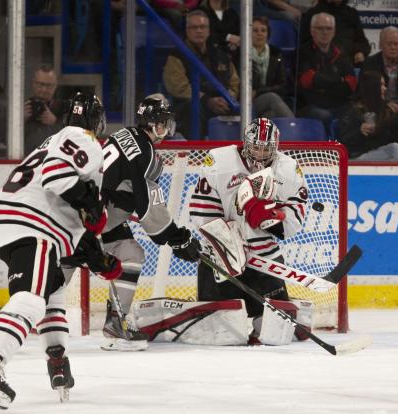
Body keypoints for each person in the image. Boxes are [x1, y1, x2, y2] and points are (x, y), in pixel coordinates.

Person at [0, 93, 119, 409]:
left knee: (53, 289)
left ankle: (57, 362)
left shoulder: (52, 140)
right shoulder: (81, 138)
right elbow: (58, 178)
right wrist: (91, 203)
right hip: (34, 225)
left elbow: (73, 220)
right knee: (31, 296)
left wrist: (99, 258)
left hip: (16, 222)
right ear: (95, 118)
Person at [188, 117, 308, 341]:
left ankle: (273, 316)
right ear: (245, 142)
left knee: (273, 334)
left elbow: (294, 221)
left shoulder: (289, 170)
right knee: (220, 335)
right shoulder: (219, 161)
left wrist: (268, 217)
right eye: (256, 147)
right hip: (220, 259)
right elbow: (201, 212)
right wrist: (228, 242)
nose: (260, 153)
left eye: (266, 148)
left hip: (264, 259)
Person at [98, 94, 202, 351]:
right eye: (163, 123)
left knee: (131, 252)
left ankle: (116, 321)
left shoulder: (122, 135)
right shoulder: (145, 154)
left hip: (92, 215)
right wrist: (178, 238)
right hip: (92, 220)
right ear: (154, 124)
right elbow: (149, 209)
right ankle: (26, 318)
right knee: (59, 270)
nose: (166, 129)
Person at [163, 9, 240, 139]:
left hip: (222, 104)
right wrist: (206, 100)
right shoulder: (177, 55)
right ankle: (195, 152)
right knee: (193, 107)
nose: (199, 30)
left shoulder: (221, 55)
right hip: (190, 105)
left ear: (209, 30)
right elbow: (178, 87)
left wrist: (228, 99)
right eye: (194, 27)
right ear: (187, 30)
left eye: (202, 27)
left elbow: (234, 83)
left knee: (247, 109)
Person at [296, 12, 357, 132]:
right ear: (312, 31)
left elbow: (352, 83)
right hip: (311, 106)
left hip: (339, 104)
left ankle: (348, 149)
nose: (325, 32)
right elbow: (308, 81)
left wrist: (322, 83)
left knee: (356, 113)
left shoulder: (342, 53)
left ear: (334, 32)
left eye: (328, 28)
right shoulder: (303, 52)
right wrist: (338, 80)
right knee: (324, 116)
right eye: (320, 28)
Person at [336, 69, 398, 161]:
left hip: (377, 154)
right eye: (381, 85)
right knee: (394, 149)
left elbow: (392, 137)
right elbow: (343, 141)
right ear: (371, 87)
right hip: (356, 157)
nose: (385, 88)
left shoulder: (385, 109)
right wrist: (359, 131)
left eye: (384, 85)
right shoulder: (352, 111)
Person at [299, 0, 371, 67]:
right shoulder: (313, 13)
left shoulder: (351, 13)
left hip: (347, 64)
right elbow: (304, 44)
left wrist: (360, 52)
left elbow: (362, 42)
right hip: (319, 64)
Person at [251, 16, 294, 118]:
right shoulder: (241, 54)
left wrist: (258, 91)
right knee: (272, 98)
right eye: (255, 30)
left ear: (268, 34)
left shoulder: (276, 54)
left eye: (263, 30)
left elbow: (282, 86)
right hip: (249, 103)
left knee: (271, 115)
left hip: (270, 102)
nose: (260, 33)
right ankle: (295, 129)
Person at [24, 65, 66, 156]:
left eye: (49, 86)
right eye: (40, 84)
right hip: (26, 160)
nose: (44, 90)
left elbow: (73, 139)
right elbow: (3, 139)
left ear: (55, 87)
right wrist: (20, 121)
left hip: (53, 161)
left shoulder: (64, 109)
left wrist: (55, 122)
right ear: (33, 84)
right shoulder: (18, 108)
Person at [360, 26, 398, 103]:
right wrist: (389, 107)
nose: (393, 47)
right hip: (377, 108)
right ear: (380, 45)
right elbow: (362, 93)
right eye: (389, 44)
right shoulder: (369, 64)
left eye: (396, 44)